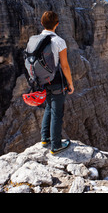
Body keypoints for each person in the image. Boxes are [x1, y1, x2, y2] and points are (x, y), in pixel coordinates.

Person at [38, 11, 75, 154]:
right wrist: (70, 83)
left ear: (42, 24)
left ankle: (44, 138)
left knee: (48, 107)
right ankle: (56, 145)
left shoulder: (36, 39)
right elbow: (64, 66)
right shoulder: (59, 41)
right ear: (57, 24)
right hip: (56, 81)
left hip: (42, 81)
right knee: (57, 112)